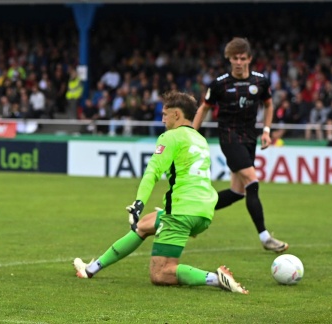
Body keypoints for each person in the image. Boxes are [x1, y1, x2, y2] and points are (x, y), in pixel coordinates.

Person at [73, 91, 248, 294]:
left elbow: (152, 172)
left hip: (182, 212)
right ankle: (91, 269)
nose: (162, 118)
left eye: (165, 114)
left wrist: (138, 203)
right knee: (145, 225)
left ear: (176, 115)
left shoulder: (171, 137)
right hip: (204, 211)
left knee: (161, 273)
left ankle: (216, 279)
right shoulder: (200, 139)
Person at [192, 37, 288, 253]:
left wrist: (266, 131)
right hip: (229, 137)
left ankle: (191, 209)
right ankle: (265, 237)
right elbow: (203, 108)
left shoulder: (260, 82)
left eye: (242, 58)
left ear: (249, 59)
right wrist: (192, 133)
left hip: (249, 139)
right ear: (229, 59)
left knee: (238, 192)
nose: (238, 62)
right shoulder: (219, 84)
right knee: (252, 182)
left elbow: (269, 105)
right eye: (234, 58)